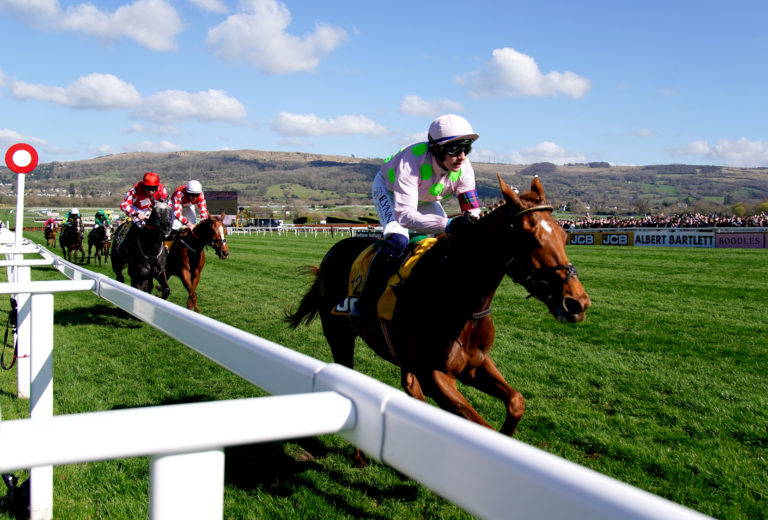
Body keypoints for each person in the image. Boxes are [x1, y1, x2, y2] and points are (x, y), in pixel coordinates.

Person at [351, 114, 482, 319]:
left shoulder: (465, 169)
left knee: (448, 239)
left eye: (467, 149)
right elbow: (404, 216)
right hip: (390, 191)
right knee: (397, 239)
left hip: (424, 198)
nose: (463, 156)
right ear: (437, 149)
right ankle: (365, 301)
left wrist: (471, 224)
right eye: (456, 150)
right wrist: (448, 224)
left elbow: (473, 211)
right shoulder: (411, 162)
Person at [114, 171, 169, 251]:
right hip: (136, 208)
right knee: (139, 225)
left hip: (151, 209)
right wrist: (136, 214)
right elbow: (123, 205)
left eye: (153, 189)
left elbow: (167, 205)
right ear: (143, 186)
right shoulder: (136, 189)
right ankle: (121, 244)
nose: (150, 192)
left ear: (157, 186)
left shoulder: (162, 189)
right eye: (148, 188)